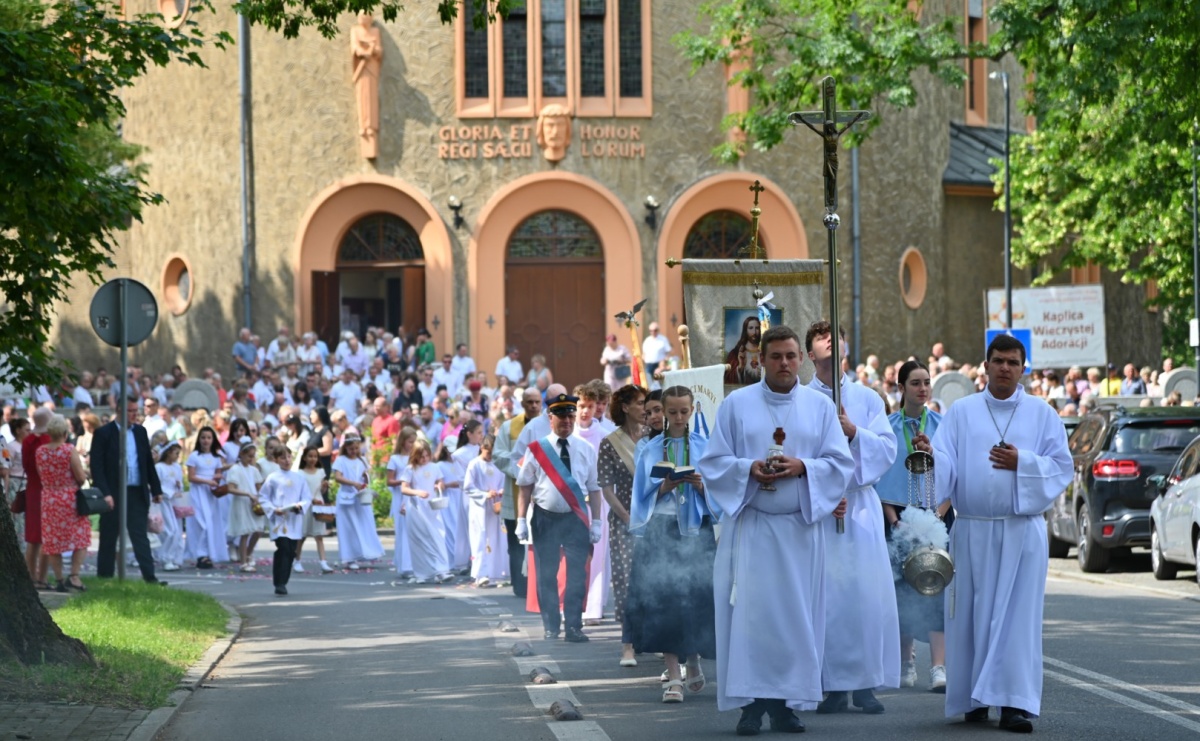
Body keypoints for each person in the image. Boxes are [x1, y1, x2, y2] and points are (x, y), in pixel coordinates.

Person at [697, 325, 853, 736]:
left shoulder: (820, 408)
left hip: (800, 531)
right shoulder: (737, 405)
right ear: (761, 360)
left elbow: (840, 464)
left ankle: (786, 706)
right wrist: (747, 468)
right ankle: (751, 707)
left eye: (790, 356)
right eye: (775, 356)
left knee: (795, 621)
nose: (784, 363)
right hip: (752, 529)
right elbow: (713, 462)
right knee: (749, 620)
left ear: (801, 359)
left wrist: (804, 467)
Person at [924, 333, 1073, 732]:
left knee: (1016, 620)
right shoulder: (961, 412)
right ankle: (974, 699)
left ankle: (1013, 704)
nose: (1005, 367)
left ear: (1023, 368)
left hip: (1021, 531)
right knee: (969, 617)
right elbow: (946, 464)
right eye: (998, 361)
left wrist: (1022, 462)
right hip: (971, 529)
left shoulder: (1043, 414)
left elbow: (1062, 468)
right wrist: (929, 453)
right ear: (985, 366)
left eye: (1012, 362)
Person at [804, 321, 900, 714]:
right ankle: (829, 684)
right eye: (822, 340)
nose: (831, 344)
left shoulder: (867, 398)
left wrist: (855, 432)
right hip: (819, 510)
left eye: (836, 338)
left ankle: (863, 684)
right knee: (826, 597)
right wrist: (824, 492)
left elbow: (888, 449)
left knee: (863, 596)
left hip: (859, 506)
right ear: (810, 354)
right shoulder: (802, 399)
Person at [628, 385, 716, 704]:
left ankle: (692, 660)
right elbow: (640, 496)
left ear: (692, 411)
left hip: (695, 530)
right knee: (665, 600)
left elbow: (719, 495)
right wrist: (664, 486)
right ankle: (673, 675)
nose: (678, 418)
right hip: (663, 528)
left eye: (684, 411)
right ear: (662, 412)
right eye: (672, 411)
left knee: (694, 598)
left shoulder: (706, 446)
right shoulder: (650, 449)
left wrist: (702, 485)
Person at [875, 360, 952, 692]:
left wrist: (938, 514)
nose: (922, 389)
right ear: (901, 387)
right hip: (899, 519)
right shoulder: (887, 427)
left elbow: (953, 475)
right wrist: (895, 523)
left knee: (937, 589)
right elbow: (879, 478)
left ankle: (938, 667)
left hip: (936, 516)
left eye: (926, 382)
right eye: (915, 383)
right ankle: (907, 662)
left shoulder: (942, 425)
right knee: (902, 592)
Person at [515, 394, 603, 643]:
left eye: (570, 416)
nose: (567, 420)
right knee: (547, 574)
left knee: (577, 575)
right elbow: (525, 486)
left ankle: (573, 627)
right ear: (550, 417)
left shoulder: (586, 449)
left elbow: (594, 488)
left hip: (575, 519)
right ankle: (551, 625)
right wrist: (521, 520)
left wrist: (596, 522)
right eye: (561, 416)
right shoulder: (537, 449)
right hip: (545, 518)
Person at [91, 397, 166, 585]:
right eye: (131, 411)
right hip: (113, 492)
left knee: (140, 536)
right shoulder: (104, 433)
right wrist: (105, 492)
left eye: (136, 411)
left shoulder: (140, 432)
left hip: (135, 492)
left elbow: (147, 462)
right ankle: (105, 578)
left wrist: (156, 488)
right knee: (109, 535)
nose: (135, 415)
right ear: (120, 411)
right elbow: (97, 466)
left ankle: (150, 578)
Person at [597, 384, 646, 667]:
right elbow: (606, 488)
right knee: (627, 581)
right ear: (625, 407)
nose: (644, 408)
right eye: (639, 403)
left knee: (654, 581)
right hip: (624, 521)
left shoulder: (653, 439)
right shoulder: (609, 442)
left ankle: (652, 637)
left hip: (653, 518)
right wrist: (628, 519)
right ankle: (627, 644)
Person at [36, 415, 99, 593]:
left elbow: (42, 475)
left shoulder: (41, 451)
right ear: (64, 432)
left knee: (53, 539)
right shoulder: (68, 450)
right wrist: (79, 480)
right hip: (69, 498)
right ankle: (74, 576)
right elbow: (79, 477)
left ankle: (59, 579)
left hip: (48, 498)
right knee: (80, 537)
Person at [494, 387, 541, 598]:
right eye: (529, 402)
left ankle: (539, 584)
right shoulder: (508, 427)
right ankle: (519, 586)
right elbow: (499, 455)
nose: (533, 405)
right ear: (522, 404)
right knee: (515, 543)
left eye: (536, 402)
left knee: (540, 541)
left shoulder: (547, 425)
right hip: (516, 493)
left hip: (541, 492)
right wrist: (522, 472)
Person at [258, 445, 311, 596]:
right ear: (276, 460)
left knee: (291, 550)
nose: (286, 460)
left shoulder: (299, 478)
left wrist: (299, 507)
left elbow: (306, 497)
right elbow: (263, 496)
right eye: (282, 458)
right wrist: (273, 509)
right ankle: (279, 583)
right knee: (283, 548)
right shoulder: (273, 478)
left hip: (293, 520)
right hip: (279, 520)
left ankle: (284, 580)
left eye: (288, 457)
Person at [399, 438, 453, 583]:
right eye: (421, 456)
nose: (424, 459)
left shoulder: (435, 467)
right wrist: (417, 492)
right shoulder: (410, 469)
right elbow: (404, 488)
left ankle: (442, 570)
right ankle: (423, 573)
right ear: (415, 456)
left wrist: (439, 486)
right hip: (416, 508)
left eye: (426, 456)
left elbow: (440, 481)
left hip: (432, 507)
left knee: (437, 538)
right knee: (420, 540)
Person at [330, 433, 384, 569]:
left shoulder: (362, 460)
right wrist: (353, 483)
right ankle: (350, 557)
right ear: (346, 448)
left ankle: (366, 552)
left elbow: (364, 476)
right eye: (351, 449)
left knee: (364, 524)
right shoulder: (341, 460)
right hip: (346, 498)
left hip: (360, 497)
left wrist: (364, 480)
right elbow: (338, 477)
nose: (354, 451)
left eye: (356, 448)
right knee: (349, 528)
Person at [464, 434, 508, 586]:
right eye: (488, 453)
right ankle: (480, 573)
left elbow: (503, 481)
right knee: (480, 539)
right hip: (480, 508)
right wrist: (484, 494)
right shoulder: (474, 464)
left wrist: (501, 490)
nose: (491, 457)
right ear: (482, 448)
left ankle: (495, 572)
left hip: (494, 507)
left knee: (496, 539)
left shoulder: (497, 464)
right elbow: (468, 487)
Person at [186, 426, 226, 569]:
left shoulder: (216, 458)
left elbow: (218, 475)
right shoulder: (194, 456)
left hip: (211, 494)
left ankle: (207, 554)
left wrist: (216, 478)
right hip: (198, 492)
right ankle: (199, 553)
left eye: (209, 438)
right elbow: (191, 477)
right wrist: (207, 480)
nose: (206, 440)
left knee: (211, 523)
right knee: (201, 523)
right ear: (199, 439)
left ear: (213, 439)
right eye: (203, 437)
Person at [446, 421, 483, 572]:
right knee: (471, 528)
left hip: (487, 492)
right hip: (470, 495)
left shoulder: (484, 449)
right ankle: (469, 560)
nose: (482, 435)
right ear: (469, 434)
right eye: (479, 432)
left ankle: (483, 559)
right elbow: (461, 478)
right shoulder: (459, 454)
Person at [226, 436, 266, 573]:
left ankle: (248, 554)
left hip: (253, 503)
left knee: (258, 530)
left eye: (253, 456)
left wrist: (261, 497)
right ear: (241, 454)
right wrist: (247, 494)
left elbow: (259, 487)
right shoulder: (235, 469)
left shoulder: (253, 470)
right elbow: (230, 488)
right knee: (245, 533)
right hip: (241, 503)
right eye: (249, 456)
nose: (251, 459)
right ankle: (243, 562)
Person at [21, 408, 51, 588]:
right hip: (45, 489)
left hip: (31, 489)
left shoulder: (27, 441)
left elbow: (26, 465)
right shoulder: (47, 441)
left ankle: (31, 575)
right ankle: (42, 577)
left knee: (32, 537)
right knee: (46, 537)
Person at [295, 445, 335, 574]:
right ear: (305, 458)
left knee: (319, 535)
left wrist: (324, 486)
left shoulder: (320, 472)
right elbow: (300, 492)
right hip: (306, 505)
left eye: (315, 456)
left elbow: (322, 491)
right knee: (302, 536)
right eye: (310, 456)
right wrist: (311, 500)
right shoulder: (300, 473)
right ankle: (297, 561)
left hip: (318, 505)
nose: (313, 459)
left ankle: (323, 562)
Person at [385, 428, 419, 581]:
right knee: (403, 530)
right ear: (403, 441)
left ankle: (414, 563)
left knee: (413, 530)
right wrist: (403, 481)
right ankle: (404, 565)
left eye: (414, 442)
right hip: (400, 496)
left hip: (412, 495)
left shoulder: (415, 458)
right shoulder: (395, 459)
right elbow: (389, 481)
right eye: (410, 442)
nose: (412, 445)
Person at [154, 441, 186, 572]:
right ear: (168, 453)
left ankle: (174, 557)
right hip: (164, 502)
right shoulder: (159, 467)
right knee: (169, 530)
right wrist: (169, 493)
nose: (178, 456)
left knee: (177, 531)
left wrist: (179, 486)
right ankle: (165, 558)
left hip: (174, 502)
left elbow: (180, 483)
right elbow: (157, 485)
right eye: (176, 453)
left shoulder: (176, 467)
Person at [723, 316, 763, 385]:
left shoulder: (766, 352)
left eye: (757, 328)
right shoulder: (735, 353)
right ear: (745, 331)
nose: (754, 332)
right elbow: (727, 379)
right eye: (751, 328)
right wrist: (740, 368)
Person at [641, 323, 672, 387]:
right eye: (651, 330)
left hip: (659, 365)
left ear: (658, 330)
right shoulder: (647, 340)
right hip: (649, 365)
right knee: (649, 383)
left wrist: (664, 364)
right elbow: (644, 354)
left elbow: (668, 353)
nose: (653, 332)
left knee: (659, 383)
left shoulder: (663, 339)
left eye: (655, 330)